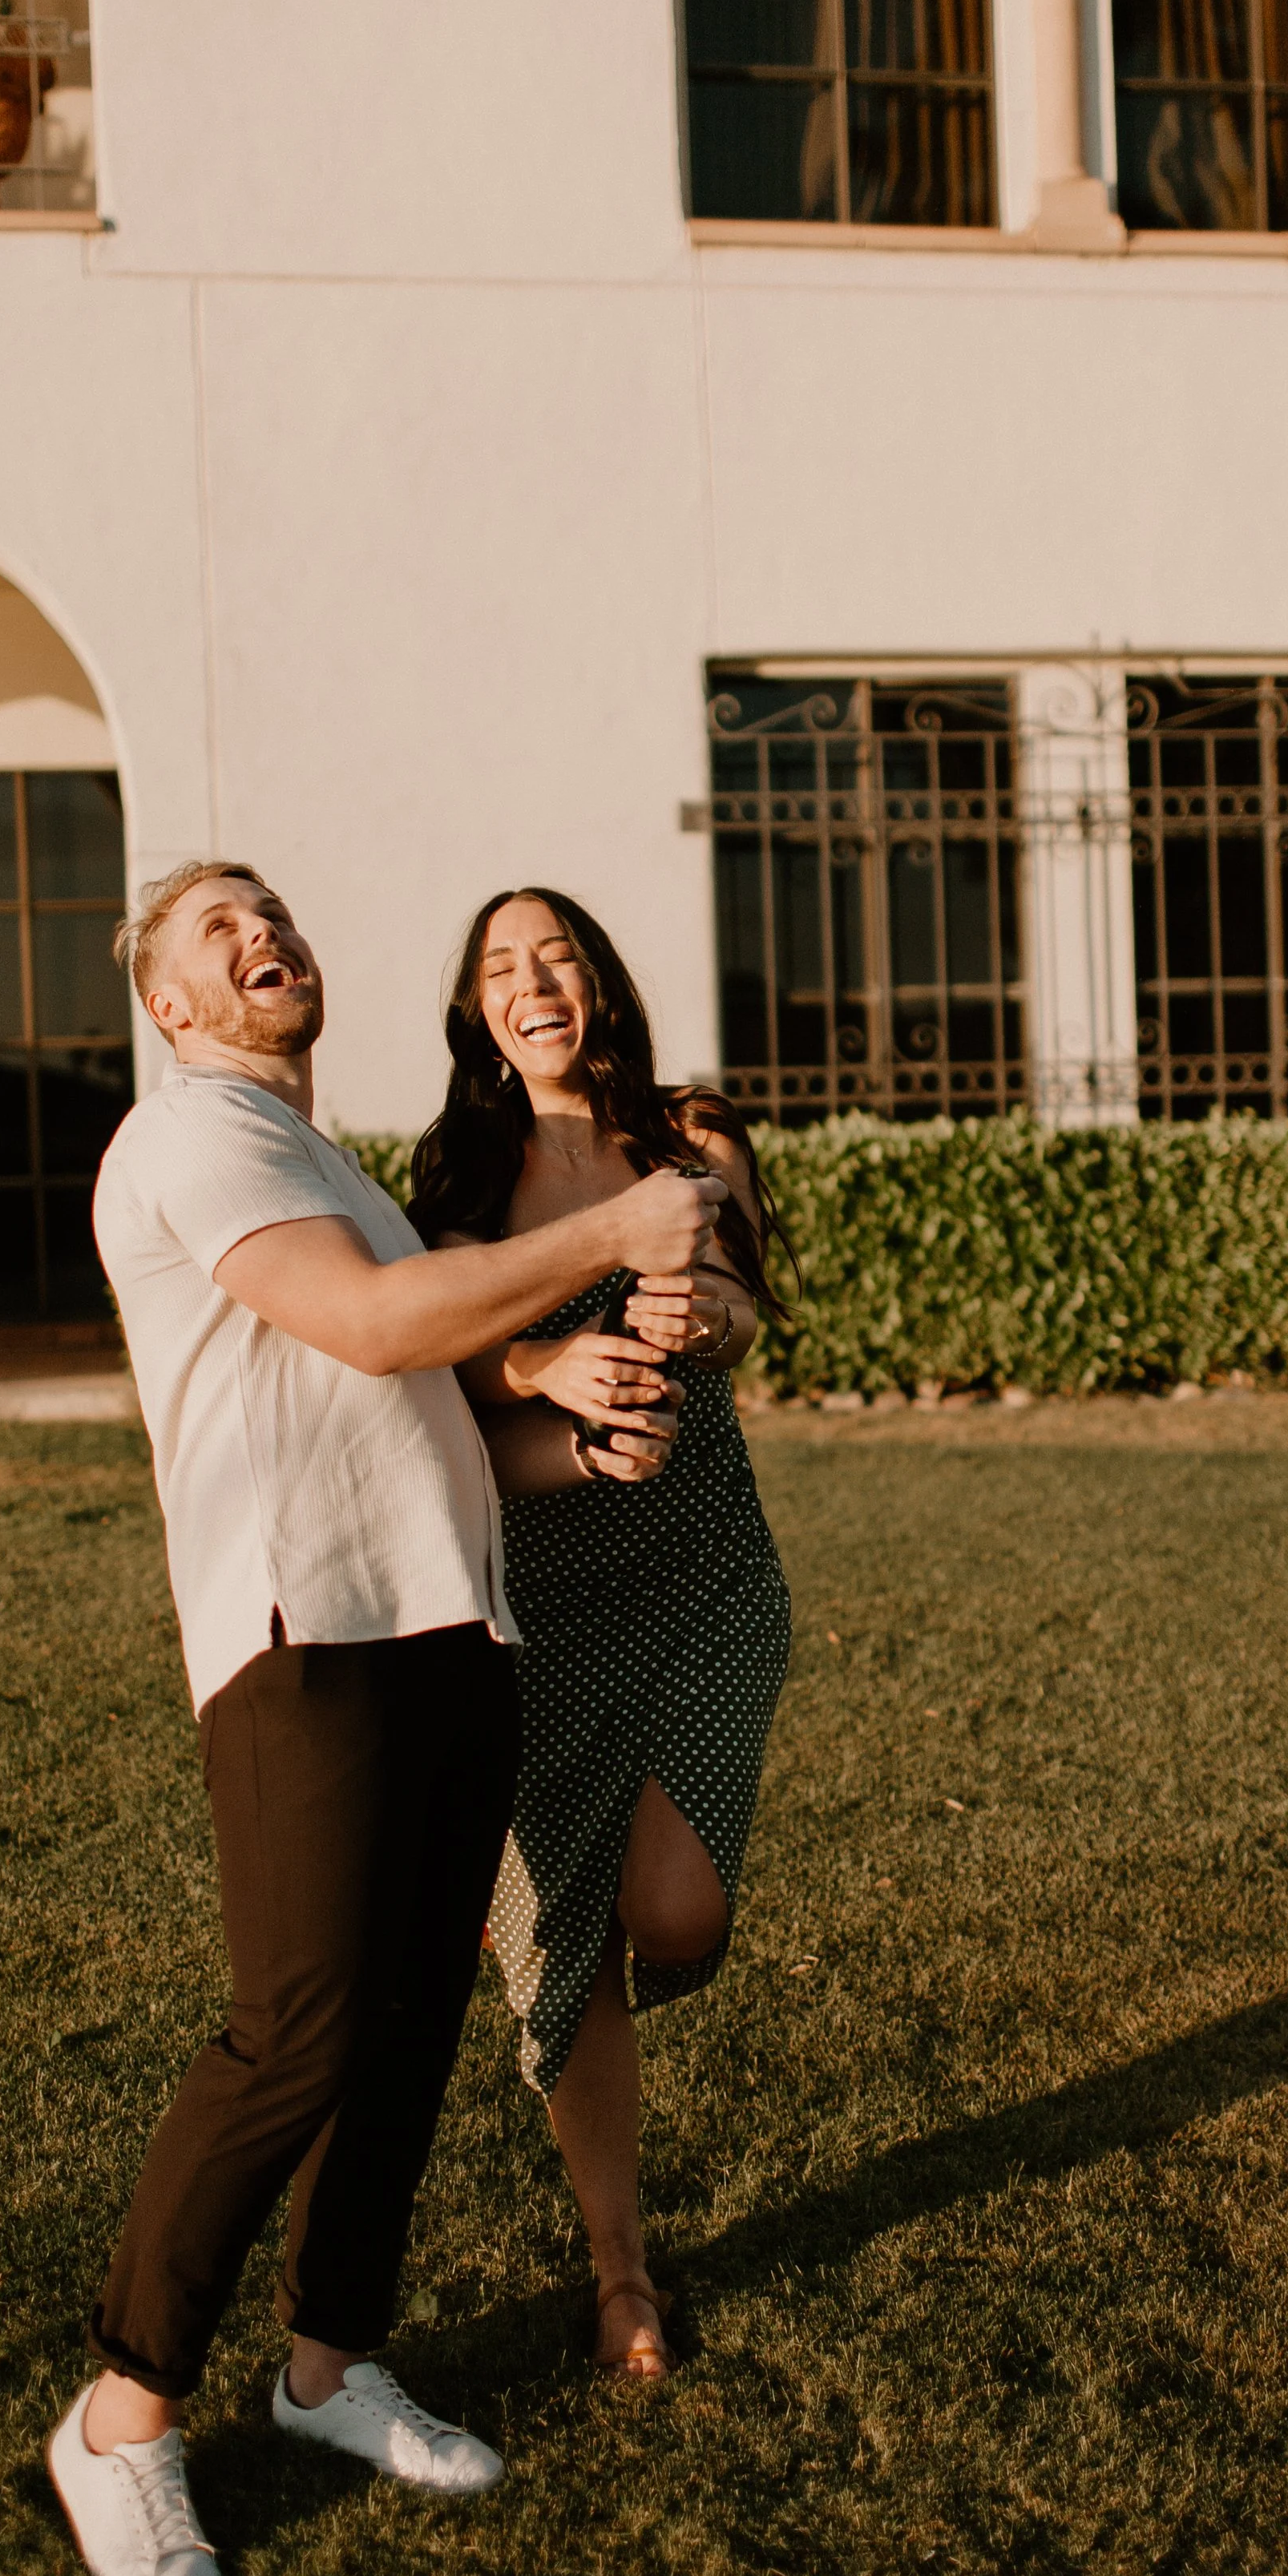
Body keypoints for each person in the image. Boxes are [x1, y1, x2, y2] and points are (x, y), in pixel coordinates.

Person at [46, 861, 722, 2576]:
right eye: (216, 929)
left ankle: (329, 2366)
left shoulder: (333, 1166)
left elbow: (439, 1409)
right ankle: (122, 2419)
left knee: (412, 2030)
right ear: (176, 1005)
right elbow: (364, 1324)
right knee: (300, 2028)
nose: (257, 932)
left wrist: (583, 1440)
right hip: (304, 1641)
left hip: (450, 1632)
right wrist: (608, 1237)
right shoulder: (187, 1135)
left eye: (268, 907)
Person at [407, 887, 793, 2384]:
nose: (532, 982)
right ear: (479, 1014)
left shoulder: (694, 1135)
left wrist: (710, 1320)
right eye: (501, 968)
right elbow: (444, 1358)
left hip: (701, 1564)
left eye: (554, 954)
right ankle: (620, 2269)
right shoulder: (464, 1173)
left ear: (602, 982)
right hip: (545, 1588)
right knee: (575, 1938)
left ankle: (637, 1949)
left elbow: (749, 1302)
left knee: (678, 1913)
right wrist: (546, 1362)